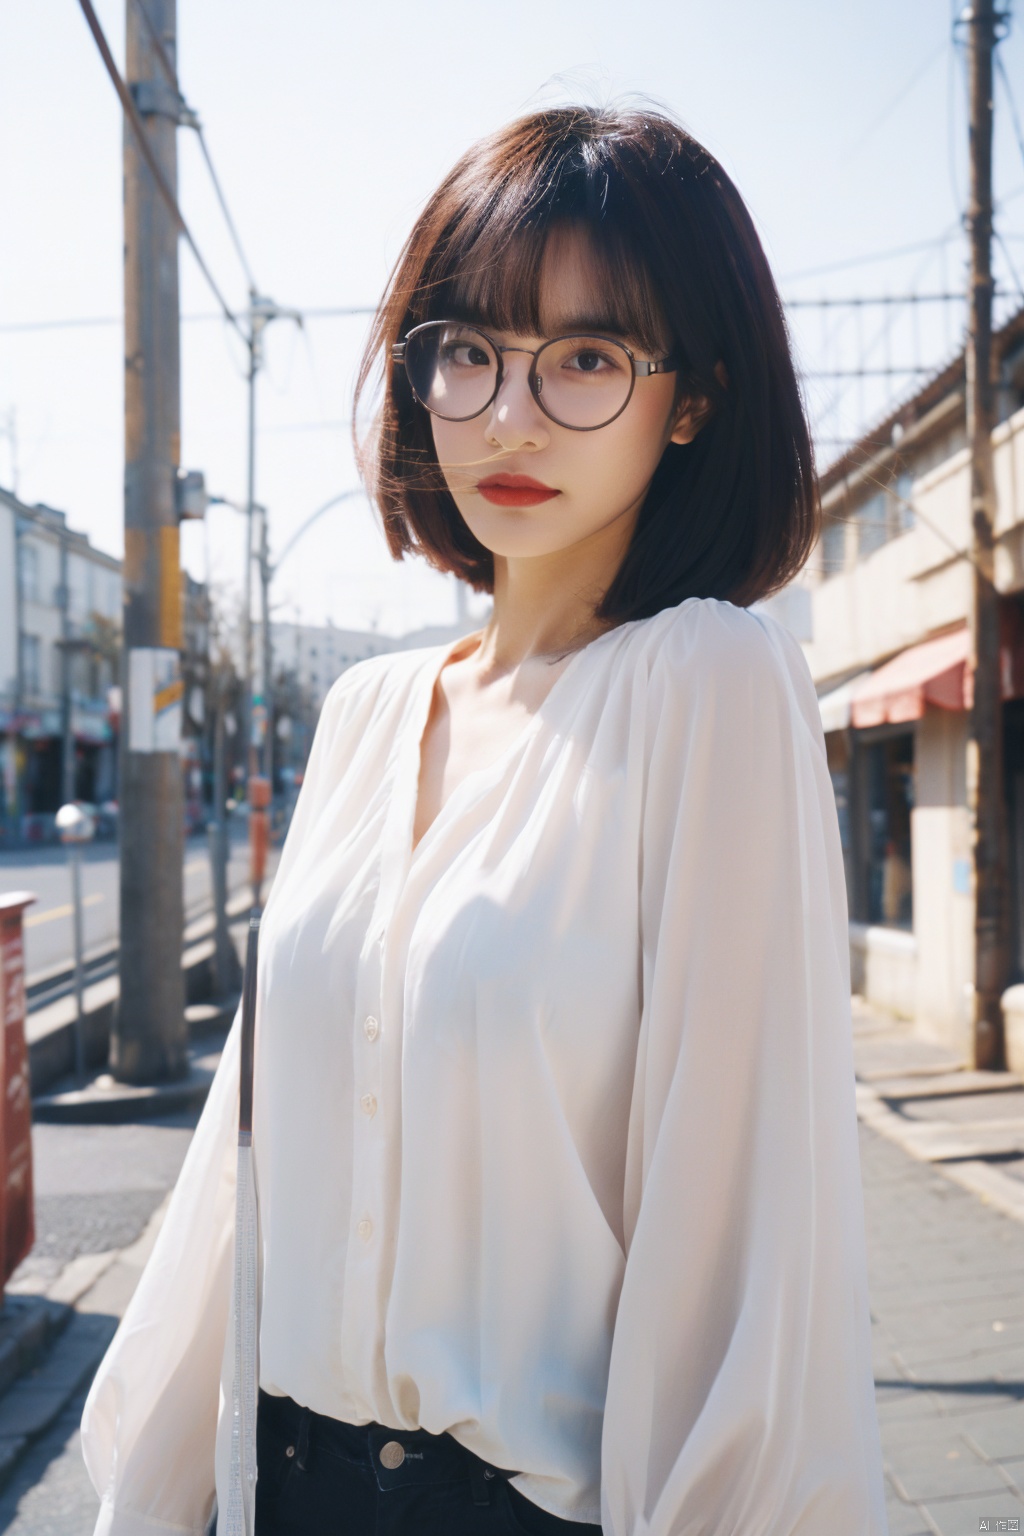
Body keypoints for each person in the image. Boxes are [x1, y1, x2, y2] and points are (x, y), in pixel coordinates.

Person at [81, 106, 888, 1535]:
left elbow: (743, 1237)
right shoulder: (367, 713)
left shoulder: (708, 680)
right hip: (274, 1491)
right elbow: (236, 1182)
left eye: (586, 357)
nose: (511, 416)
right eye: (471, 353)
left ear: (691, 397)